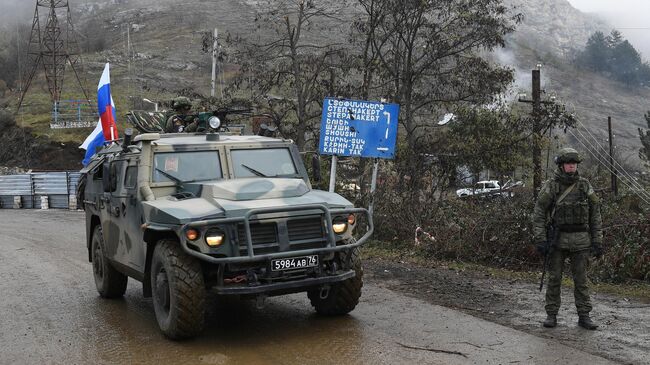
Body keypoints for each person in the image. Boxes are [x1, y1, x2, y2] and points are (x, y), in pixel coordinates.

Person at [533, 147, 603, 330]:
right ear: (561, 165)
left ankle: (584, 315)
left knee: (581, 280)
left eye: (574, 164)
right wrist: (541, 240)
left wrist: (598, 241)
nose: (571, 166)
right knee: (554, 279)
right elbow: (539, 213)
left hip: (581, 240)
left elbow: (595, 215)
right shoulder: (552, 185)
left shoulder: (584, 185)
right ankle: (551, 314)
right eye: (568, 164)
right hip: (557, 240)